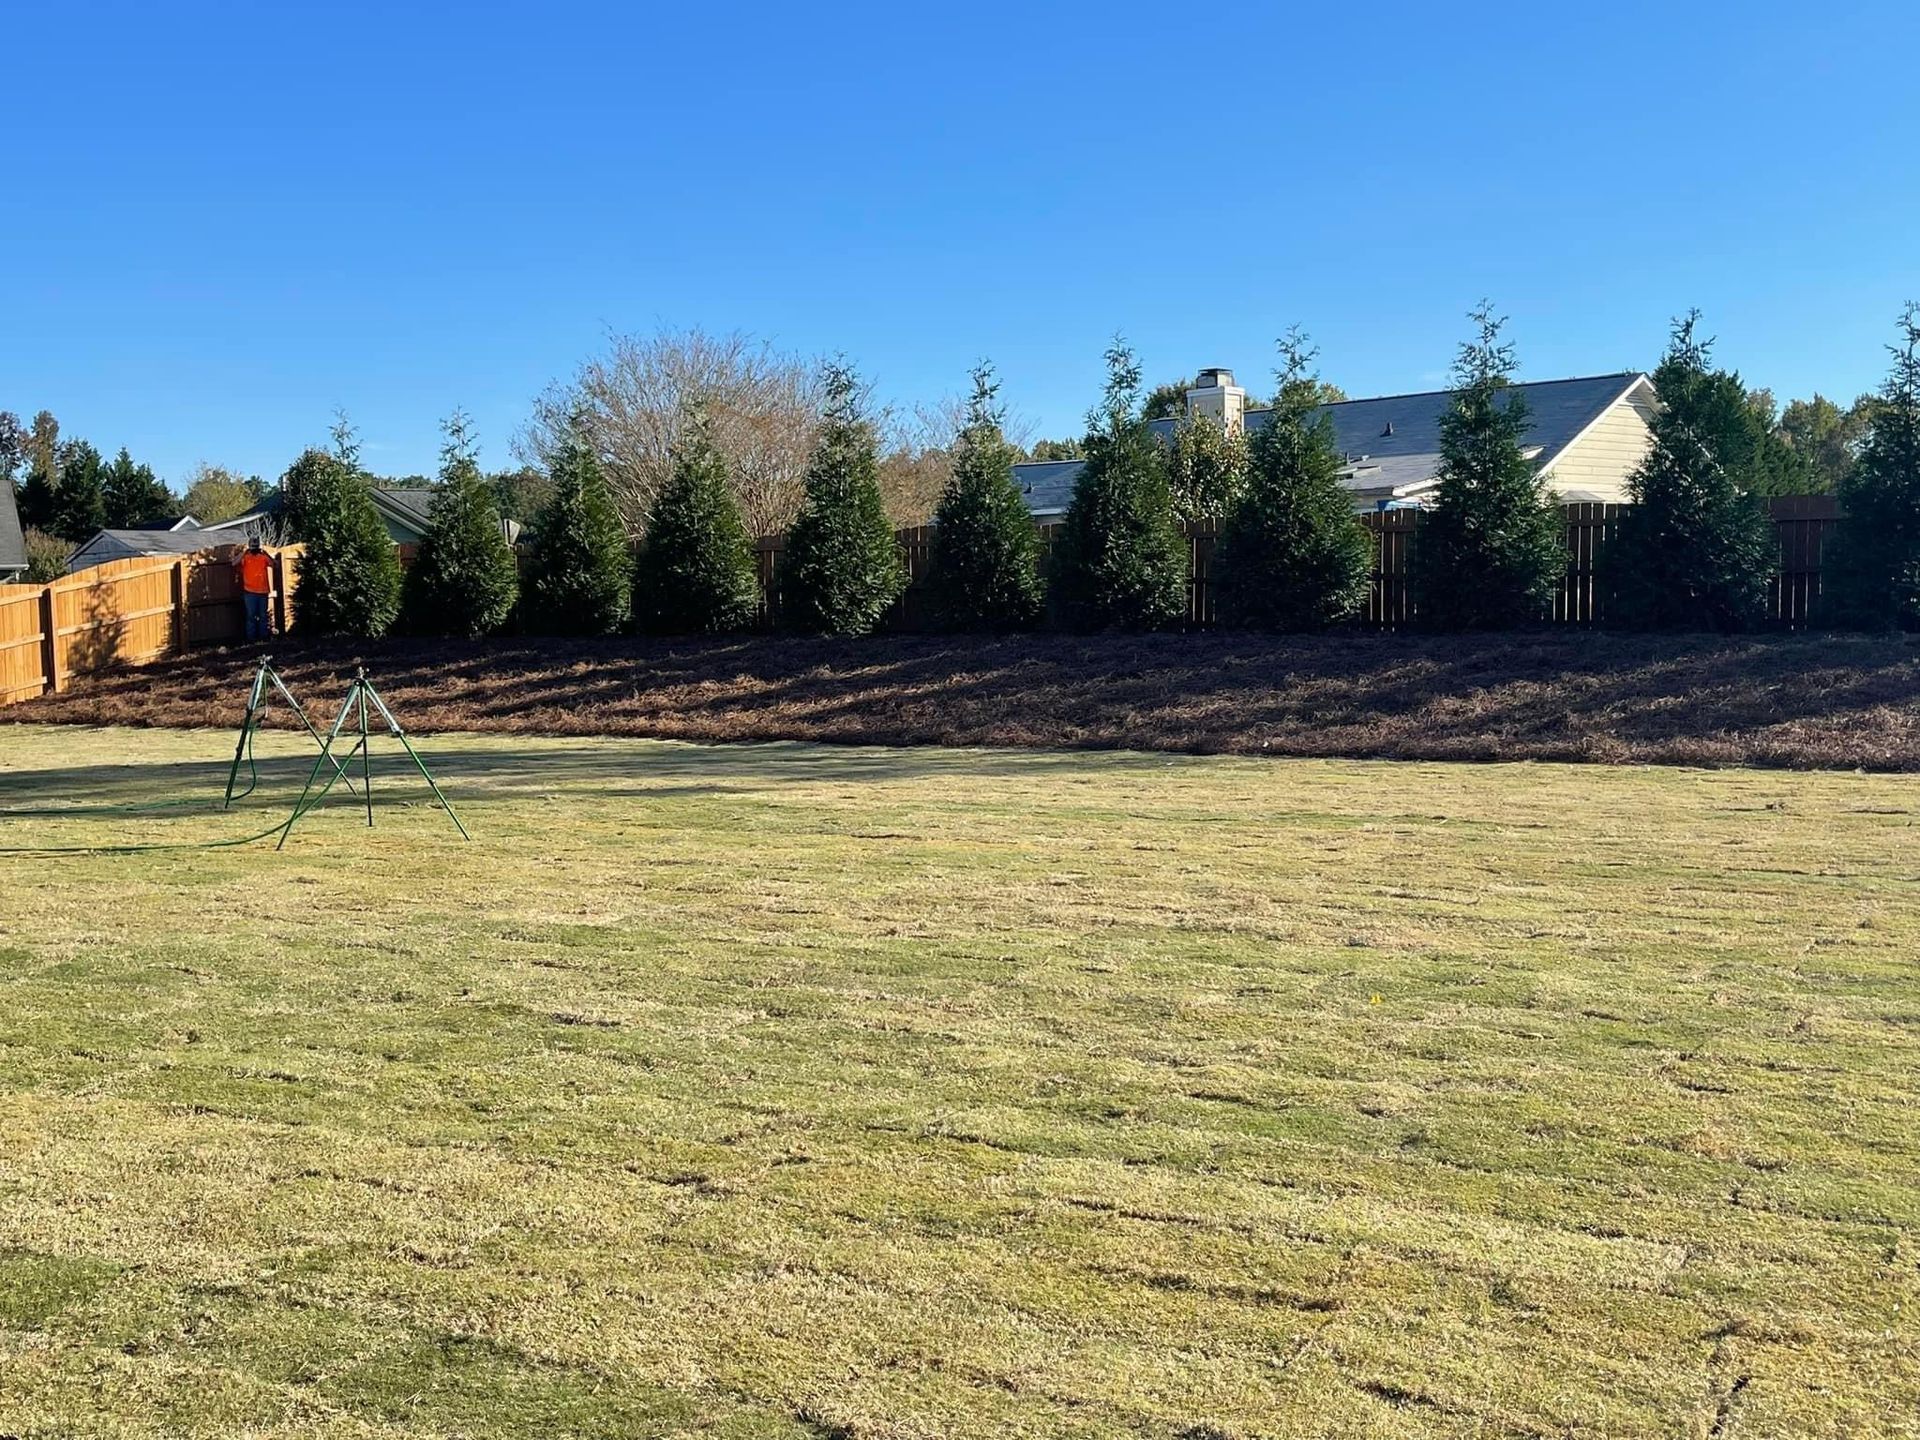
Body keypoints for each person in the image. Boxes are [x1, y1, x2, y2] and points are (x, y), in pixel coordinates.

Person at [235, 535, 274, 641]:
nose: (254, 548)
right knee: (251, 616)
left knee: (263, 616)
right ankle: (251, 638)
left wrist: (267, 554)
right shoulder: (246, 558)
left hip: (263, 591)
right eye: (252, 546)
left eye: (256, 546)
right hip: (249, 591)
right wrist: (244, 552)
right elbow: (234, 563)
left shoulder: (263, 557)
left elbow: (275, 564)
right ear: (249, 546)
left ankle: (264, 637)